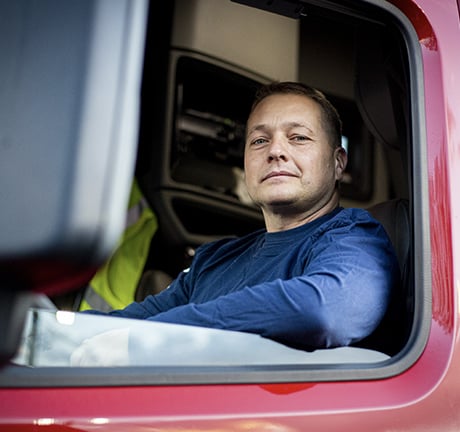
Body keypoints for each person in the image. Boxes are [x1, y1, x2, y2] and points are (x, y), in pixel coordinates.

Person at [85, 81, 400, 352]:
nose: (275, 151)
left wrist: (147, 341)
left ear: (338, 164)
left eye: (298, 138)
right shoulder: (214, 259)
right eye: (260, 141)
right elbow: (136, 320)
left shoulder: (355, 237)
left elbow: (327, 311)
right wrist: (54, 332)